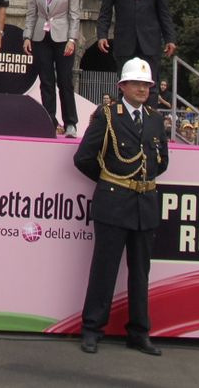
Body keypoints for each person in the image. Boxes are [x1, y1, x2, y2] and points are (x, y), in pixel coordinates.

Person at [74, 57, 170, 356]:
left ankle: (139, 332)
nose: (143, 89)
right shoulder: (108, 115)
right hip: (113, 202)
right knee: (104, 269)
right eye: (138, 84)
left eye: (147, 84)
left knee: (140, 273)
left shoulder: (154, 119)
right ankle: (92, 328)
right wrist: (109, 182)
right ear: (123, 86)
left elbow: (161, 161)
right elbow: (84, 158)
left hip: (146, 204)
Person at [22, 0, 80, 134]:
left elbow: (74, 15)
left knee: (65, 80)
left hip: (62, 37)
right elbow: (31, 13)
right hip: (41, 37)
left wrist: (72, 39)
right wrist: (27, 36)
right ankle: (50, 120)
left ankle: (70, 122)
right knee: (46, 81)